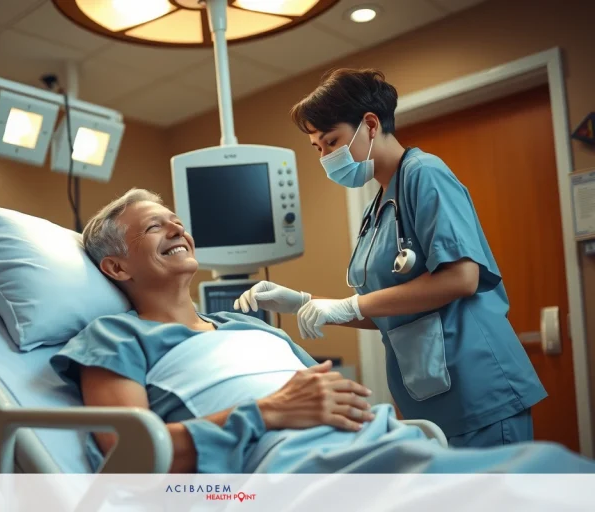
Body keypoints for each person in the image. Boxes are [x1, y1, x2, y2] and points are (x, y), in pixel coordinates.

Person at [49, 189, 592, 475]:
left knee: (551, 472)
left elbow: (326, 396)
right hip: (293, 469)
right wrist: (267, 412)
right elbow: (128, 453)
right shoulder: (116, 337)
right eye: (153, 226)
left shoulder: (245, 324)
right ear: (117, 269)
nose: (177, 228)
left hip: (378, 443)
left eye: (175, 219)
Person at [233, 68, 546, 449]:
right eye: (318, 148)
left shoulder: (424, 174)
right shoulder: (379, 206)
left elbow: (461, 277)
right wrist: (306, 303)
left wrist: (348, 304)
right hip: (433, 399)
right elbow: (392, 310)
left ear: (369, 123)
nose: (326, 157)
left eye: (332, 142)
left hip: (479, 390)